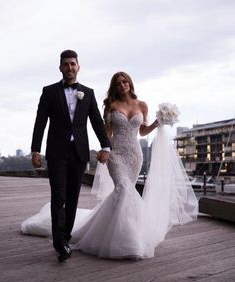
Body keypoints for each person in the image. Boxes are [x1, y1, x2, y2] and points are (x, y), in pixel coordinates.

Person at [22, 71, 198, 260]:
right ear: (115, 87)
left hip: (135, 156)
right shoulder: (111, 106)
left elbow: (143, 131)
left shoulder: (142, 105)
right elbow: (106, 132)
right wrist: (105, 149)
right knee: (123, 189)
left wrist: (159, 122)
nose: (123, 85)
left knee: (127, 193)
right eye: (119, 83)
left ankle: (131, 237)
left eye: (125, 81)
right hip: (116, 155)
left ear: (130, 83)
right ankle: (129, 243)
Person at [30, 49, 111, 262]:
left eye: (73, 64)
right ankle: (60, 244)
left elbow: (96, 121)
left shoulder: (89, 93)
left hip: (79, 153)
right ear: (60, 67)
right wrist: (35, 150)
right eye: (65, 64)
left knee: (73, 198)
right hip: (57, 152)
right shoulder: (49, 92)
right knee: (59, 197)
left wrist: (106, 146)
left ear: (78, 66)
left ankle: (65, 238)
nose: (69, 67)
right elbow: (40, 122)